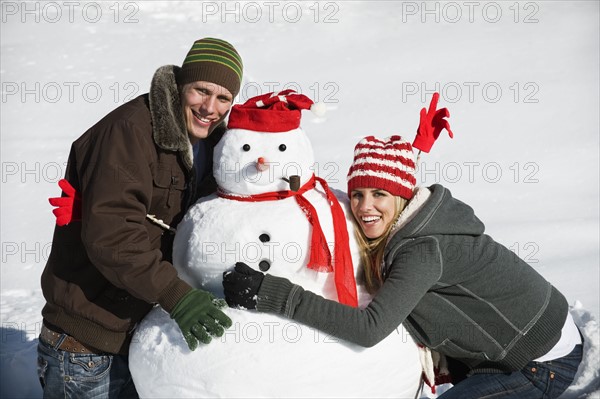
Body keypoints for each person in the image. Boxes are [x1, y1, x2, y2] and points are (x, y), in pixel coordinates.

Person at [223, 107, 583, 397]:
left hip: (542, 359)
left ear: (402, 197)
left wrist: (274, 294)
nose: (365, 207)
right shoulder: (411, 226)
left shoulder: (422, 250)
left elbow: (370, 328)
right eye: (359, 193)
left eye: (379, 195)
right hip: (527, 336)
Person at [39, 37, 243, 398]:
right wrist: (175, 295)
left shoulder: (211, 144)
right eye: (201, 90)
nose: (210, 107)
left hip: (136, 336)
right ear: (181, 85)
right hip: (84, 345)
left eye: (223, 97)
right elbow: (112, 233)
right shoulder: (130, 132)